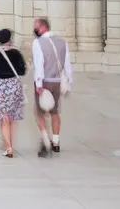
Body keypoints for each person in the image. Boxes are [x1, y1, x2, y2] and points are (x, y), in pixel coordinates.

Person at [31, 17, 73, 157]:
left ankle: (45, 140)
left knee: (40, 113)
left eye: (36, 26)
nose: (35, 29)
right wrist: (69, 81)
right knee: (55, 112)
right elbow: (67, 63)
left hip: (45, 82)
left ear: (43, 27)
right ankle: (56, 142)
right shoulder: (62, 42)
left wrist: (38, 83)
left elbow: (39, 63)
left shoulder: (38, 43)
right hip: (57, 81)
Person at [0, 28, 27, 158]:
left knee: (4, 117)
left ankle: (9, 147)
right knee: (11, 116)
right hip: (14, 86)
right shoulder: (16, 53)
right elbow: (22, 71)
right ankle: (7, 142)